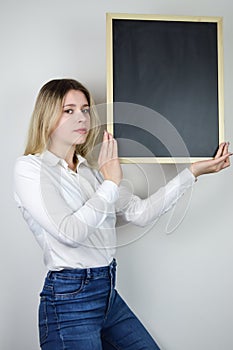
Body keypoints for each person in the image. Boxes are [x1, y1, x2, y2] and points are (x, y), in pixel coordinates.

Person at [13, 78, 231, 350]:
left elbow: (140, 213)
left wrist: (192, 173)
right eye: (69, 110)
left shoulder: (92, 172)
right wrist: (111, 183)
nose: (81, 117)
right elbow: (70, 234)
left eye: (85, 109)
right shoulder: (30, 169)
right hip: (69, 302)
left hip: (107, 294)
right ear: (46, 117)